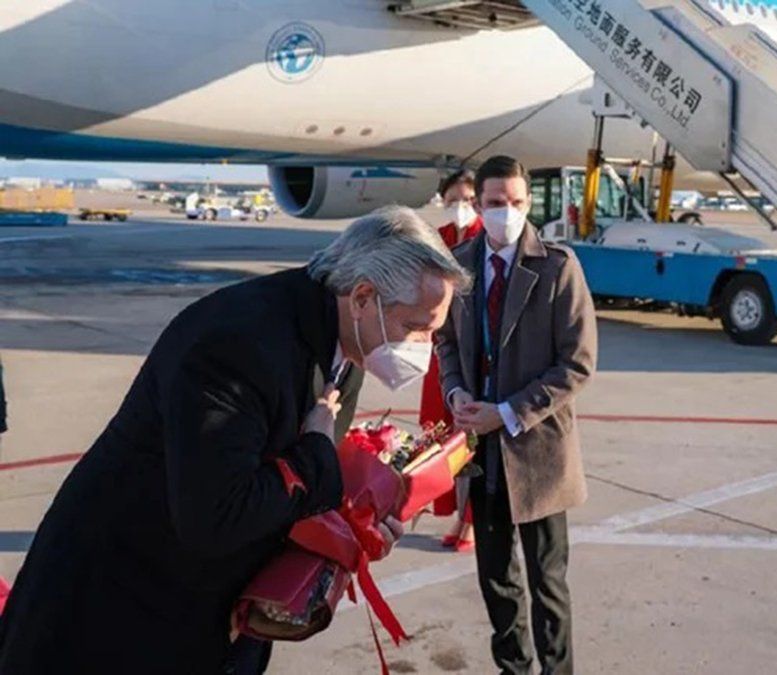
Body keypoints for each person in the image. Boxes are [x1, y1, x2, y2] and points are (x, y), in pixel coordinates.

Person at [0, 206, 471, 674]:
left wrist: (354, 523)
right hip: (116, 618)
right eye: (416, 327)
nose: (422, 347)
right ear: (363, 296)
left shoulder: (338, 332)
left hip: (208, 615)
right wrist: (316, 461)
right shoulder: (238, 343)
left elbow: (294, 480)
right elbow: (217, 515)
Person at [437, 155, 597, 675]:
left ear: (529, 203)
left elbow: (577, 364)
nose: (506, 212)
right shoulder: (459, 264)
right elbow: (445, 342)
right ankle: (514, 669)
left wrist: (506, 412)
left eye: (516, 203)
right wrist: (456, 390)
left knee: (547, 584)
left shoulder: (556, 266)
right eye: (495, 203)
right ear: (477, 205)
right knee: (496, 582)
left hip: (538, 451)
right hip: (482, 453)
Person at [421, 169, 485, 553]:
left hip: (472, 346)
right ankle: (454, 507)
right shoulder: (439, 239)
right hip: (440, 345)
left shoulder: (483, 238)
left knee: (470, 436)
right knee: (440, 432)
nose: (460, 207)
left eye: (468, 199)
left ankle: (471, 518)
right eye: (453, 199)